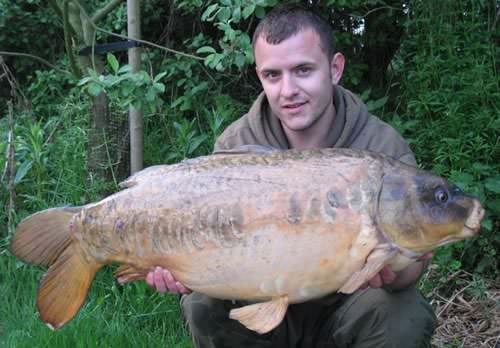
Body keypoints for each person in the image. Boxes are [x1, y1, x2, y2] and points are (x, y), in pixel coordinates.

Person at [146, 4, 437, 347]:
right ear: (259, 77)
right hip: (260, 301)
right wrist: (181, 266)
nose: (288, 90)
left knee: (403, 312)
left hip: (347, 307)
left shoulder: (381, 148)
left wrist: (397, 273)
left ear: (335, 68)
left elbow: (412, 267)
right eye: (273, 75)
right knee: (201, 304)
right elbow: (212, 238)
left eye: (302, 70)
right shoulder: (236, 144)